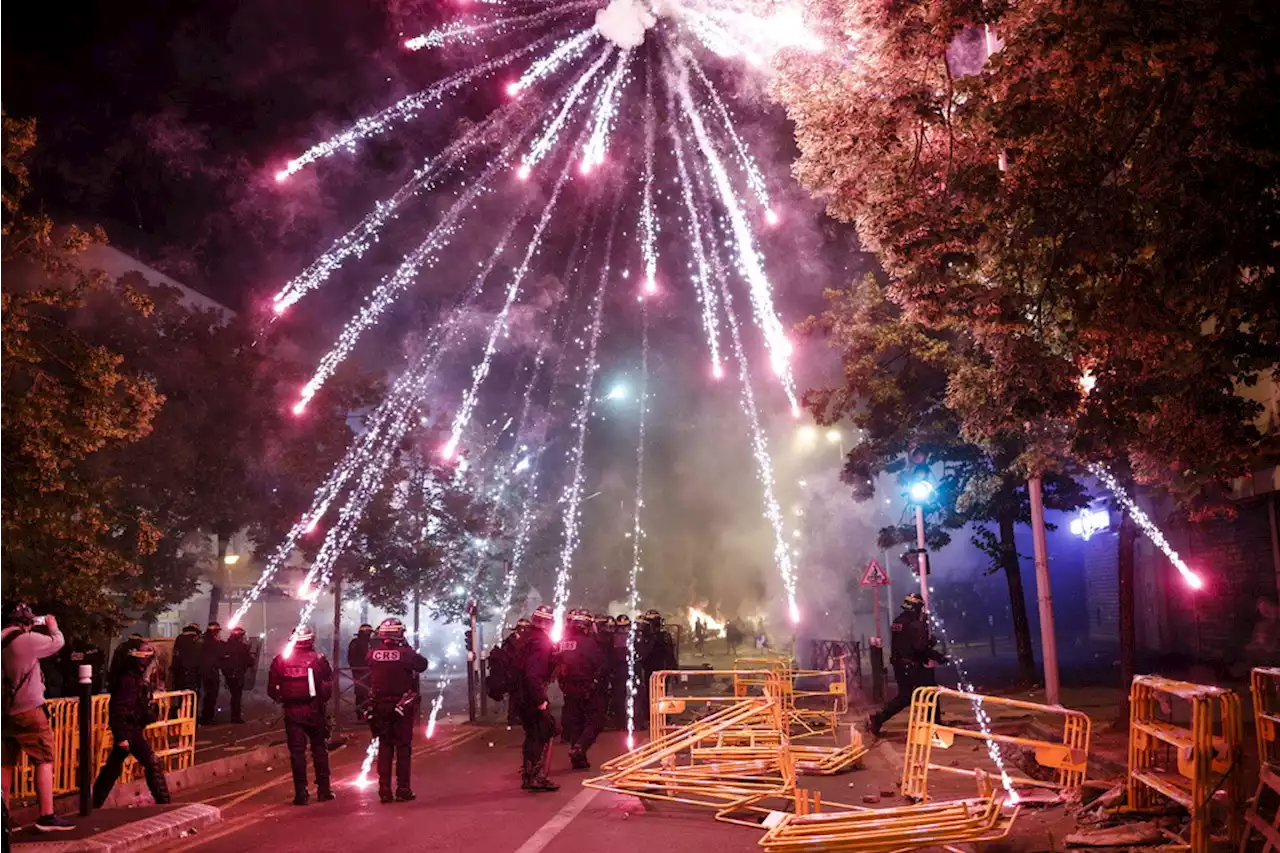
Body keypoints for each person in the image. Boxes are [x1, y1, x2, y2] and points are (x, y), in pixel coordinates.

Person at [0, 603, 74, 832]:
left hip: (3, 712)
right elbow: (58, 643)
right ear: (25, 621)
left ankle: (3, 818)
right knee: (44, 758)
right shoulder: (27, 640)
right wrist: (53, 627)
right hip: (29, 710)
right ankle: (47, 816)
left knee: (4, 765)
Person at [92, 642, 170, 808]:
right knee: (152, 762)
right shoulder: (128, 680)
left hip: (131, 730)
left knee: (113, 768)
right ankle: (164, 803)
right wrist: (122, 736)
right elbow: (118, 710)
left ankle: (94, 803)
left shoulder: (135, 679)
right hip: (129, 731)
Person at [267, 626, 334, 806]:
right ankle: (324, 790)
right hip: (315, 710)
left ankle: (301, 793)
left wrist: (285, 700)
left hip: (292, 711)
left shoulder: (281, 660)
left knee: (297, 753)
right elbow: (328, 687)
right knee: (319, 749)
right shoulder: (319, 659)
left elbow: (272, 689)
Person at [366, 617, 428, 804]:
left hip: (379, 705)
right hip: (402, 705)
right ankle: (403, 788)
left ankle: (384, 788)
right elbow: (422, 664)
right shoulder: (406, 653)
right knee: (403, 748)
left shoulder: (373, 653)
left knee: (385, 746)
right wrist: (406, 646)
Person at [868, 594, 948, 737]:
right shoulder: (915, 624)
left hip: (900, 664)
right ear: (915, 608)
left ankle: (879, 718)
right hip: (911, 665)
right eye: (920, 608)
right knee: (929, 692)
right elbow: (920, 648)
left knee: (906, 696)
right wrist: (937, 654)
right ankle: (935, 726)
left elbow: (906, 644)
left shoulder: (898, 622)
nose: (921, 611)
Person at [512, 605, 558, 792]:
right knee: (542, 732)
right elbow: (533, 675)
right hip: (531, 696)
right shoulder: (540, 643)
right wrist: (540, 701)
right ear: (548, 623)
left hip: (521, 695)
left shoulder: (526, 639)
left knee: (533, 733)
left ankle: (530, 774)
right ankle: (535, 776)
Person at [558, 610, 605, 770]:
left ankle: (578, 758)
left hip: (568, 688)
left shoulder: (563, 642)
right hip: (587, 687)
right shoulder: (589, 643)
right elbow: (600, 664)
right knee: (595, 720)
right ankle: (580, 747)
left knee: (576, 722)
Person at [222, 626, 254, 724]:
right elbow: (250, 661)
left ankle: (234, 715)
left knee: (234, 695)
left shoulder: (225, 645)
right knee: (236, 696)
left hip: (228, 675)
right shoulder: (243, 647)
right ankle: (235, 717)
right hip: (238, 675)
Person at [199, 622, 226, 724]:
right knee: (211, 694)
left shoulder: (202, 640)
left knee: (205, 694)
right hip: (211, 671)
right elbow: (221, 653)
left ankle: (204, 716)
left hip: (202, 671)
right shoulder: (214, 642)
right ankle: (207, 717)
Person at [607, 614, 632, 727]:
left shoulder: (612, 637)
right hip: (625, 668)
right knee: (622, 695)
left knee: (617, 694)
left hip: (616, 668)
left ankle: (618, 720)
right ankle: (622, 721)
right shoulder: (632, 636)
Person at [347, 623, 374, 719]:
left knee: (365, 694)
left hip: (366, 673)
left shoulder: (370, 643)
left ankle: (365, 714)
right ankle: (362, 714)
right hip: (361, 673)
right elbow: (352, 659)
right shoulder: (356, 643)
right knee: (361, 694)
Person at [171, 624, 202, 692]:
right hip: (193, 673)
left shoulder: (179, 638)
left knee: (181, 694)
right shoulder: (198, 639)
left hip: (180, 672)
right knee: (193, 695)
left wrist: (173, 669)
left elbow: (175, 654)